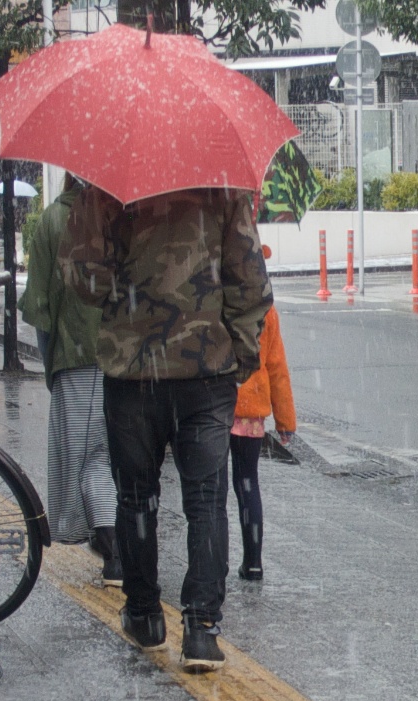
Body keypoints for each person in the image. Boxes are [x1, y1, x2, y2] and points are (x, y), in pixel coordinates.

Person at [60, 186, 272, 673]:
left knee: (136, 497)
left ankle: (145, 615)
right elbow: (251, 281)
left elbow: (84, 280)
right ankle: (200, 630)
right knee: (205, 500)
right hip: (206, 372)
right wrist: (239, 355)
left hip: (133, 374)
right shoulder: (222, 185)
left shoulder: (112, 186)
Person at [18, 173, 121, 586]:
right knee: (115, 459)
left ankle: (116, 553)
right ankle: (112, 539)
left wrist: (51, 362)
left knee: (90, 460)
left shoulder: (55, 221)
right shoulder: (123, 216)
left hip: (76, 357)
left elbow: (40, 306)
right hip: (127, 359)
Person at [230, 300, 296, 582]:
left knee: (212, 488)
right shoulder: (265, 310)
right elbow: (277, 367)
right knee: (247, 482)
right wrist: (285, 421)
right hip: (250, 406)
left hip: (215, 406)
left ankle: (213, 562)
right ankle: (253, 562)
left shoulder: (216, 301)